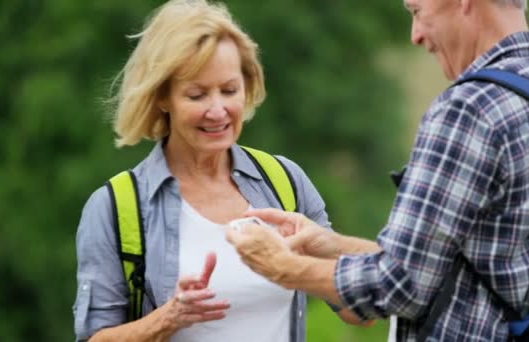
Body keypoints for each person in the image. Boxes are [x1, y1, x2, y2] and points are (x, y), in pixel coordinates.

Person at [226, 0, 529, 340]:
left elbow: (401, 284)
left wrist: (281, 265)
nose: (415, 35)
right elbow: (479, 265)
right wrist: (335, 247)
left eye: (417, 10)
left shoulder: (469, 108)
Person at [72, 0, 363, 341]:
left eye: (229, 90)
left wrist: (315, 261)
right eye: (197, 95)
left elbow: (358, 312)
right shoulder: (115, 208)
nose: (218, 110)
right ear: (162, 97)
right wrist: (168, 318)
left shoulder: (285, 182)